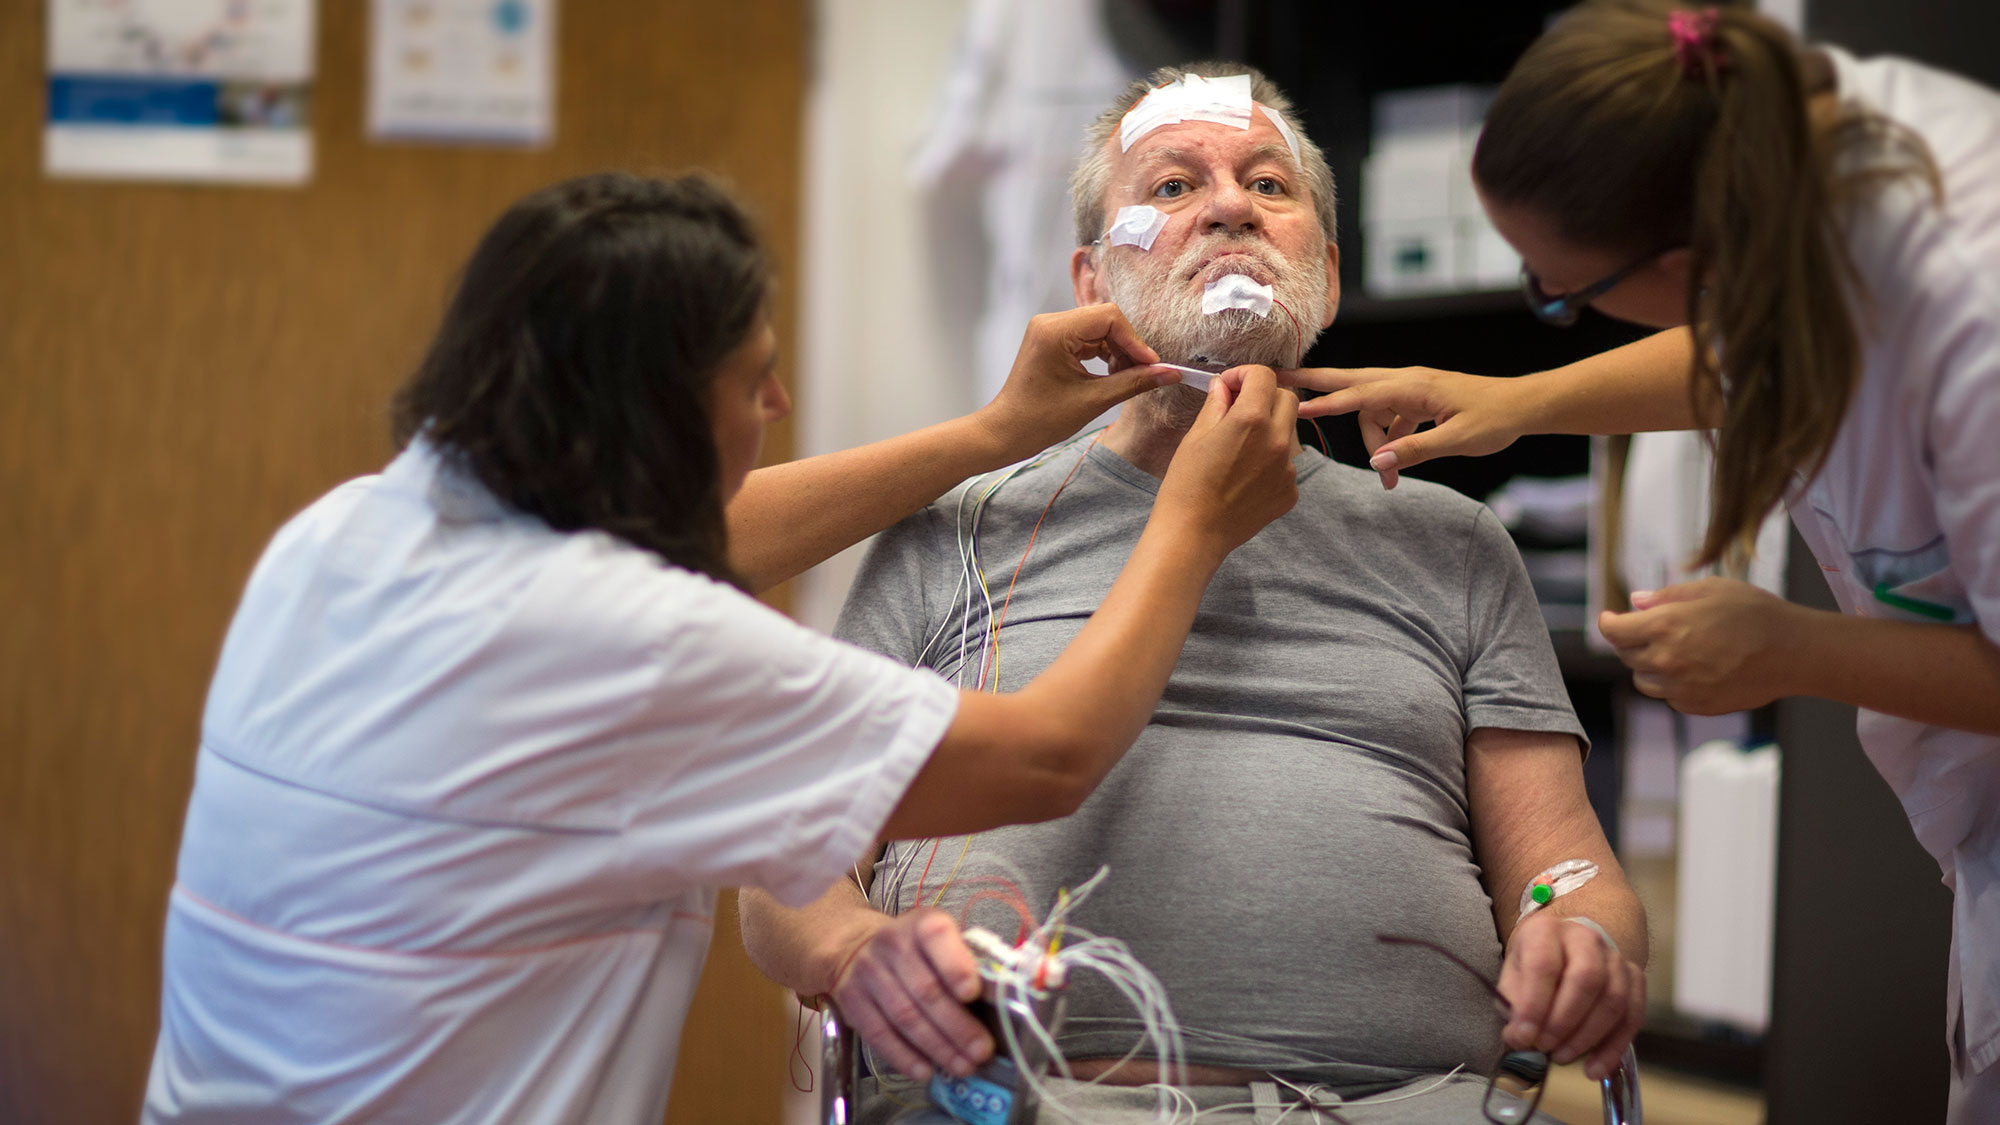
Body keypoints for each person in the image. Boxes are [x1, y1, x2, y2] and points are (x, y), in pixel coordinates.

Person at [139, 171, 1305, 1124]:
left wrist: (991, 433)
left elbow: (690, 536)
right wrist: (1192, 523)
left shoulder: (343, 532)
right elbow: (1047, 755)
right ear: (649, 412)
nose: (783, 402)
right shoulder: (636, 649)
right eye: (753, 379)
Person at [740, 64, 1647, 1124]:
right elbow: (783, 869)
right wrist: (855, 949)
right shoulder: (954, 531)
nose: (1228, 204)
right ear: (1091, 284)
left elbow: (1566, 869)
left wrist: (1580, 935)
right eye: (1171, 187)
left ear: (1329, 271)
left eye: (1268, 186)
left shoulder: (1450, 542)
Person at [1281, 3, 2000, 1116]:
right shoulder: (1775, 143)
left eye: (1559, 294)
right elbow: (1772, 336)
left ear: (1686, 259)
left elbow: (1565, 872)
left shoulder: (1969, 304)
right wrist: (1516, 402)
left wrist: (1796, 647)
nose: (1226, 210)